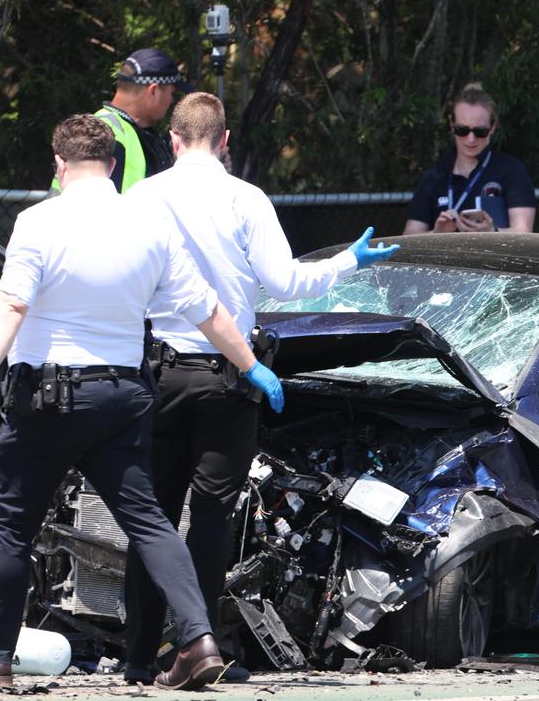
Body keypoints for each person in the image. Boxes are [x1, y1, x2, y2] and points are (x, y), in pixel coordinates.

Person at [0, 114, 284, 691]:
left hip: (44, 402)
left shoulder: (37, 222)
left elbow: (13, 308)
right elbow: (207, 312)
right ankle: (198, 640)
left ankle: (1, 656)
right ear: (114, 165)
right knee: (151, 525)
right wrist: (252, 368)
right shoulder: (150, 226)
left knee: (10, 528)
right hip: (121, 397)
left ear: (58, 165)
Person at [122, 91, 399, 684]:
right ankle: (200, 646)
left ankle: (139, 656)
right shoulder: (246, 199)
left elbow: (123, 282)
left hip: (159, 372)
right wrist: (349, 261)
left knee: (153, 515)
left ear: (173, 140)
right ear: (225, 141)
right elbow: (287, 283)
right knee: (213, 517)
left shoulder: (141, 197)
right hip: (231, 374)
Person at [53, 48, 193, 194]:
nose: (171, 100)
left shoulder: (132, 131)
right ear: (153, 91)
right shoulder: (102, 137)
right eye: (171, 93)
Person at [404, 83, 536, 234]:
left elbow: (524, 232)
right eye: (462, 130)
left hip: (495, 256)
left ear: (492, 127)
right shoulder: (434, 177)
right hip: (446, 256)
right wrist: (436, 234)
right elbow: (409, 236)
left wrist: (493, 232)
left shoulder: (511, 170)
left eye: (480, 131)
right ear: (452, 124)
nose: (471, 139)